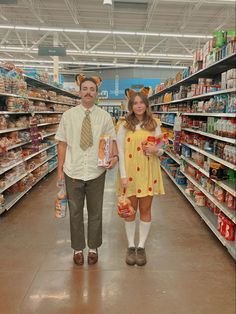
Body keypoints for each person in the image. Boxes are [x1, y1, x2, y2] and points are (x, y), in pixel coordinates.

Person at [55, 76, 118, 266]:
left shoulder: (105, 117)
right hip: (72, 171)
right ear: (79, 92)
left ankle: (93, 247)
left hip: (96, 172)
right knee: (75, 212)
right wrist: (59, 172)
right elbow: (62, 145)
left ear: (97, 93)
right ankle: (77, 249)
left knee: (95, 211)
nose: (88, 91)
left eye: (92, 88)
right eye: (85, 88)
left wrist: (114, 158)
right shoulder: (68, 116)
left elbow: (112, 141)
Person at [117, 89, 165, 266]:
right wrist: (123, 175)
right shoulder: (123, 124)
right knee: (129, 210)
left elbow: (161, 150)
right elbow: (120, 151)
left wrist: (156, 150)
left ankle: (141, 246)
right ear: (131, 106)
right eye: (135, 103)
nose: (138, 106)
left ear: (146, 105)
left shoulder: (155, 124)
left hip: (147, 172)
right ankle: (130, 246)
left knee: (145, 210)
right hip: (129, 173)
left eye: (141, 102)